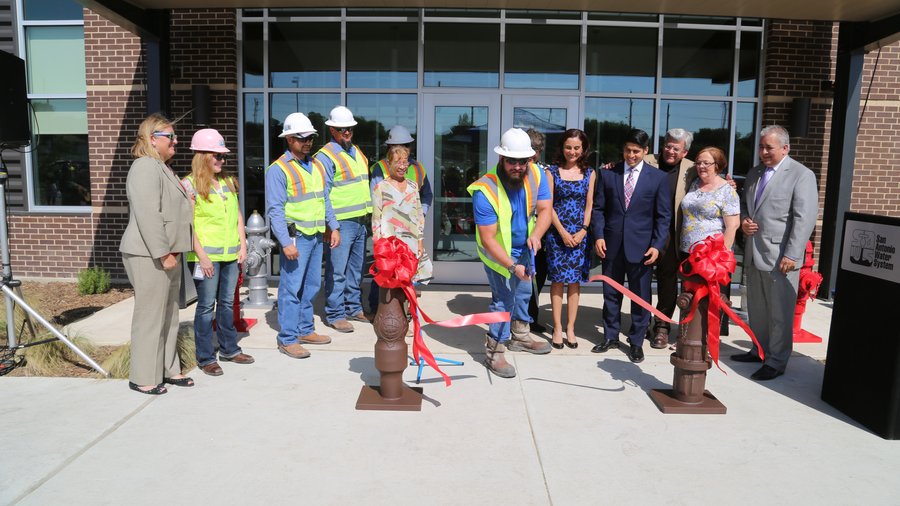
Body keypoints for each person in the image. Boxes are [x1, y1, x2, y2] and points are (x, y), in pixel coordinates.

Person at [731, 125, 818, 381]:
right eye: (761, 147)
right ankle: (759, 349)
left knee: (780, 312)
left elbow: (805, 219)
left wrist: (792, 254)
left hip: (782, 257)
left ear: (785, 148)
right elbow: (747, 208)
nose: (764, 152)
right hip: (755, 252)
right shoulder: (755, 173)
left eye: (769, 147)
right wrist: (745, 221)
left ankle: (777, 360)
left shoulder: (801, 175)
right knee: (757, 309)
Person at [468, 128, 552, 378]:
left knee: (524, 292)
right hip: (497, 253)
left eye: (522, 161)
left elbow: (545, 209)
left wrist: (536, 234)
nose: (517, 167)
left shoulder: (536, 174)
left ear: (530, 159)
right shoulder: (485, 190)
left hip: (524, 247)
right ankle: (495, 349)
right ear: (501, 159)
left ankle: (521, 336)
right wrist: (512, 266)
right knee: (503, 298)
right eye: (511, 161)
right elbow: (488, 238)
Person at [119, 113, 193, 395]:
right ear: (152, 139)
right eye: (169, 137)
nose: (176, 141)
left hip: (167, 253)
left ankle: (167, 369)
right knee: (150, 315)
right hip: (149, 254)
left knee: (168, 315)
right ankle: (142, 376)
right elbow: (149, 215)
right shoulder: (144, 167)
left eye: (175, 136)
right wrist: (163, 254)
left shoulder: (162, 167)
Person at [591, 129, 671, 363]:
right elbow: (598, 209)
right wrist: (598, 236)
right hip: (611, 245)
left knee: (640, 296)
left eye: (636, 151)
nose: (631, 155)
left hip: (642, 248)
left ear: (645, 151)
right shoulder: (608, 175)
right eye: (627, 150)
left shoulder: (657, 178)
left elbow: (663, 216)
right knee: (611, 294)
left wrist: (657, 245)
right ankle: (610, 335)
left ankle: (636, 341)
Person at [183, 129, 254, 376]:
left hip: (230, 256)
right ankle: (205, 357)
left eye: (223, 156)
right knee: (205, 307)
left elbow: (237, 216)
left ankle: (230, 349)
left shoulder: (228, 182)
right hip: (207, 258)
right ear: (202, 155)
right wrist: (202, 256)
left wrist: (242, 246)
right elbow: (188, 225)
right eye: (217, 156)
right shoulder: (189, 185)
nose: (222, 161)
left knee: (225, 304)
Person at [266, 112, 335, 360]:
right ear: (289, 139)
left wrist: (332, 226)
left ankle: (306, 330)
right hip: (297, 238)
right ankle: (288, 338)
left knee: (312, 285)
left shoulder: (316, 165)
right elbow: (274, 210)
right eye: (301, 138)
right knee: (291, 288)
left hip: (316, 235)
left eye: (310, 138)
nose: (307, 142)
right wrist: (285, 242)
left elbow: (324, 199)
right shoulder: (278, 169)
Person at [315, 106, 372, 333]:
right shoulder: (326, 156)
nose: (346, 132)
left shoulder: (356, 151)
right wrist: (332, 226)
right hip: (341, 223)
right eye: (341, 129)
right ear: (332, 130)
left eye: (349, 128)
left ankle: (353, 307)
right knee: (337, 271)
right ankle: (335, 313)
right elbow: (323, 195)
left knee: (355, 270)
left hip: (360, 220)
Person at [368, 125, 434, 312]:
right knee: (386, 273)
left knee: (409, 274)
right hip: (390, 235)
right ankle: (379, 310)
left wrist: (420, 212)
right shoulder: (380, 169)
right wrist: (379, 240)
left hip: (409, 233)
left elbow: (426, 195)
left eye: (404, 145)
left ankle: (406, 313)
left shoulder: (418, 169)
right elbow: (378, 208)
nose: (400, 148)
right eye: (395, 145)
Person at [643, 128, 695, 349]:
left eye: (676, 148)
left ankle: (662, 327)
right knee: (641, 281)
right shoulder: (646, 161)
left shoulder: (692, 168)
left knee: (667, 282)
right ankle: (641, 322)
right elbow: (620, 170)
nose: (670, 151)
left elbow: (712, 181)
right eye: (667, 145)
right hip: (644, 232)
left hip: (672, 236)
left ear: (684, 151)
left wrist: (728, 184)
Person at [544, 129, 596, 349]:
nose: (572, 151)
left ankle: (570, 328)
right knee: (557, 282)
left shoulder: (590, 173)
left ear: (583, 149)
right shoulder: (552, 171)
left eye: (576, 147)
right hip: (557, 235)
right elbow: (548, 205)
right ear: (562, 148)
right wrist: (563, 233)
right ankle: (557, 327)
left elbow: (590, 204)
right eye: (568, 147)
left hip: (580, 235)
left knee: (574, 283)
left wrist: (583, 230)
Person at [371, 144, 433, 284]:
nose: (402, 166)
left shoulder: (413, 187)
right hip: (390, 244)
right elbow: (376, 220)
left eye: (405, 162)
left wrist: (420, 242)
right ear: (389, 163)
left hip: (410, 243)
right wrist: (379, 246)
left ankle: (409, 306)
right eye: (398, 162)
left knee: (410, 281)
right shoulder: (381, 188)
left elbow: (418, 218)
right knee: (391, 283)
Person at [679, 146, 740, 253]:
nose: (701, 166)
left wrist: (719, 256)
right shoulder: (694, 183)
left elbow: (732, 226)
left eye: (706, 163)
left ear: (717, 165)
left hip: (710, 256)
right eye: (698, 163)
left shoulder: (727, 191)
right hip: (687, 251)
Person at [524, 128, 551, 334]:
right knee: (517, 282)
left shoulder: (545, 171)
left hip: (540, 236)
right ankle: (516, 320)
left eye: (538, 149)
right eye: (531, 148)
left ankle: (531, 318)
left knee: (537, 278)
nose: (534, 153)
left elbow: (547, 207)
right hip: (517, 236)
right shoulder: (513, 169)